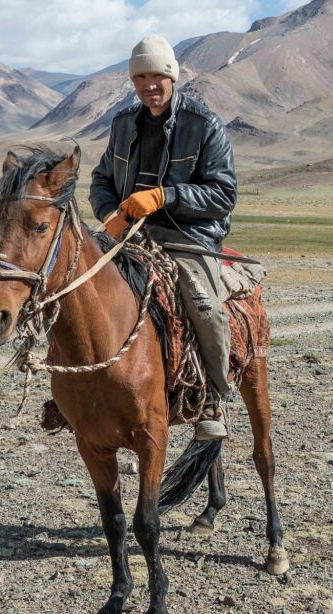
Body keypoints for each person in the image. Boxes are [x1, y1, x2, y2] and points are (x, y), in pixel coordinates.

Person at [89, 34, 238, 442]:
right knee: (76, 286)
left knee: (205, 307)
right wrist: (108, 213)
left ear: (172, 76)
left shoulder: (203, 124)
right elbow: (101, 178)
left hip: (186, 236)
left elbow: (223, 194)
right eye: (140, 77)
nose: (149, 84)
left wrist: (164, 196)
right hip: (129, 236)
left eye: (157, 75)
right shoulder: (123, 124)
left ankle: (211, 397)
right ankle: (77, 390)